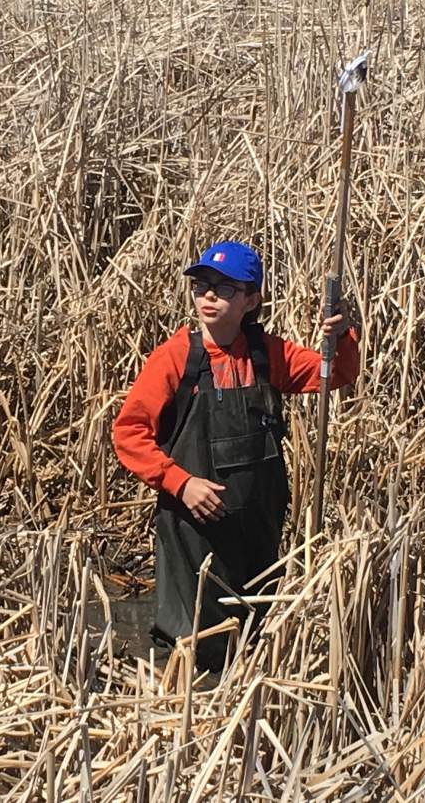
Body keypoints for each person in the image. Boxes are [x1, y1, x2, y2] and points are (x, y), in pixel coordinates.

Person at [112, 241, 359, 670]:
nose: (208, 296)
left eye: (224, 289)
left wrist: (342, 336)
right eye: (202, 285)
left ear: (251, 300)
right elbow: (129, 434)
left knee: (255, 638)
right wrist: (180, 483)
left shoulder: (269, 355)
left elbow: (335, 373)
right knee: (191, 642)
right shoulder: (176, 358)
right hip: (194, 527)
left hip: (257, 524)